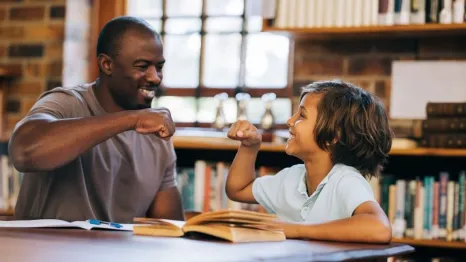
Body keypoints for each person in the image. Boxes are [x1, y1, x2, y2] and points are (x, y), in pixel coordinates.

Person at [8, 16, 185, 223]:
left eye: (159, 67)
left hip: (116, 254)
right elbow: (24, 152)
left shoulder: (156, 136)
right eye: (142, 66)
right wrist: (132, 120)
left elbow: (169, 228)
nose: (155, 77)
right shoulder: (67, 103)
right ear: (107, 64)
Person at [225, 80, 393, 243]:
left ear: (333, 136)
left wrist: (296, 230)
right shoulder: (290, 178)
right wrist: (249, 147)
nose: (290, 120)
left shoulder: (346, 180)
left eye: (302, 115)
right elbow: (237, 190)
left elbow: (380, 228)